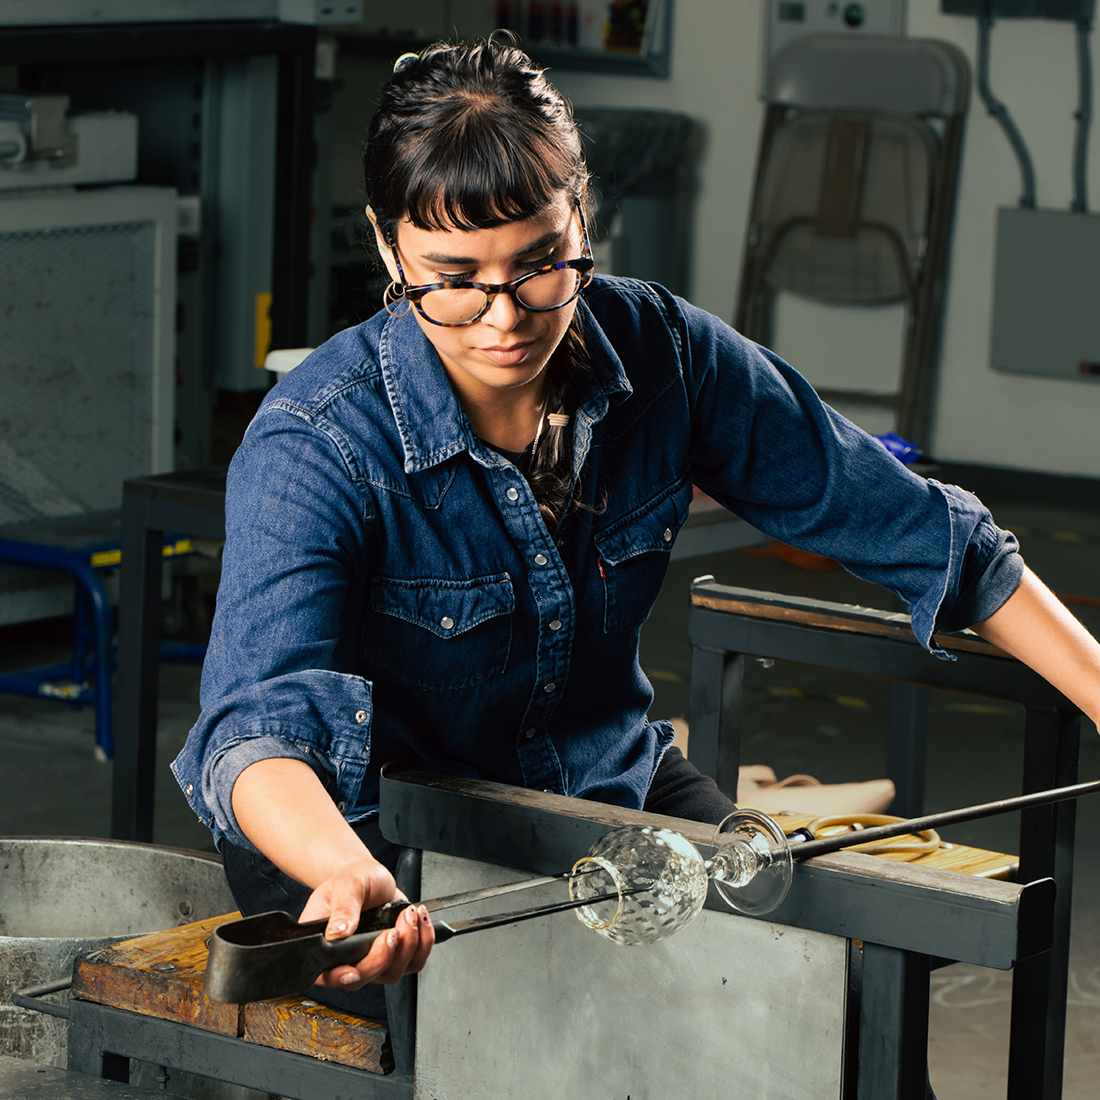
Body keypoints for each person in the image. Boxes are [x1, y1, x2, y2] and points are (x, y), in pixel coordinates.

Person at [171, 38, 1100, 1019]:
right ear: (385, 244)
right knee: (571, 1031)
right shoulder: (318, 439)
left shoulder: (663, 355)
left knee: (821, 983)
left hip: (596, 786)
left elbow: (917, 529)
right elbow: (254, 726)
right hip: (369, 846)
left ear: (582, 217)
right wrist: (342, 867)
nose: (502, 317)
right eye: (451, 276)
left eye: (538, 265)